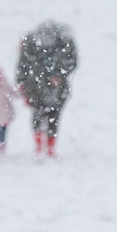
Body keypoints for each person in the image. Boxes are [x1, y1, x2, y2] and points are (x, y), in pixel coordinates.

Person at [16, 20, 77, 158]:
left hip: (56, 92)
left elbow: (72, 62)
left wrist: (59, 75)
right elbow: (23, 65)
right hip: (36, 90)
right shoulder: (30, 45)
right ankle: (39, 146)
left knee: (53, 118)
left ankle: (49, 148)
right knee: (38, 118)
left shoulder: (64, 45)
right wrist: (22, 84)